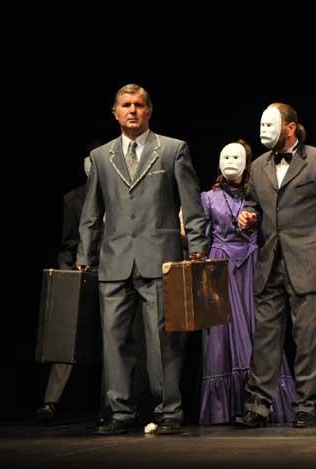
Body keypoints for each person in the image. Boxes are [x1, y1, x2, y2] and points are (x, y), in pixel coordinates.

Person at [77, 84, 209, 435]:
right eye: (126, 105)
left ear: (149, 110)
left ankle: (169, 411)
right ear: (115, 112)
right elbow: (91, 211)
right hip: (115, 259)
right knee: (114, 342)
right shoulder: (101, 156)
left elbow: (191, 203)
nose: (132, 110)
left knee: (163, 340)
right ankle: (120, 411)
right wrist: (84, 254)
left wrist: (197, 245)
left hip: (158, 257)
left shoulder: (172, 149)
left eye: (138, 105)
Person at [235, 102, 316, 428]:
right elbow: (252, 203)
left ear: (290, 128)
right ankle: (257, 406)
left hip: (310, 262)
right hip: (271, 262)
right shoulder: (259, 165)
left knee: (310, 340)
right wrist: (247, 215)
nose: (264, 131)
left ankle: (305, 405)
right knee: (265, 339)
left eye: (271, 124)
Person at [199, 140, 296, 424]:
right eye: (225, 157)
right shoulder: (208, 198)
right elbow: (201, 236)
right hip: (220, 267)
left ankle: (261, 401)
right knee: (221, 334)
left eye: (236, 157)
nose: (230, 162)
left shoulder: (260, 194)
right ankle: (224, 407)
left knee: (261, 329)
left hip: (253, 266)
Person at [36, 153, 93, 424]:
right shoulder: (73, 199)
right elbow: (68, 242)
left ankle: (118, 405)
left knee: (119, 338)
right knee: (67, 333)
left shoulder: (121, 195)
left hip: (115, 270)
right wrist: (70, 265)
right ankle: (51, 401)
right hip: (82, 271)